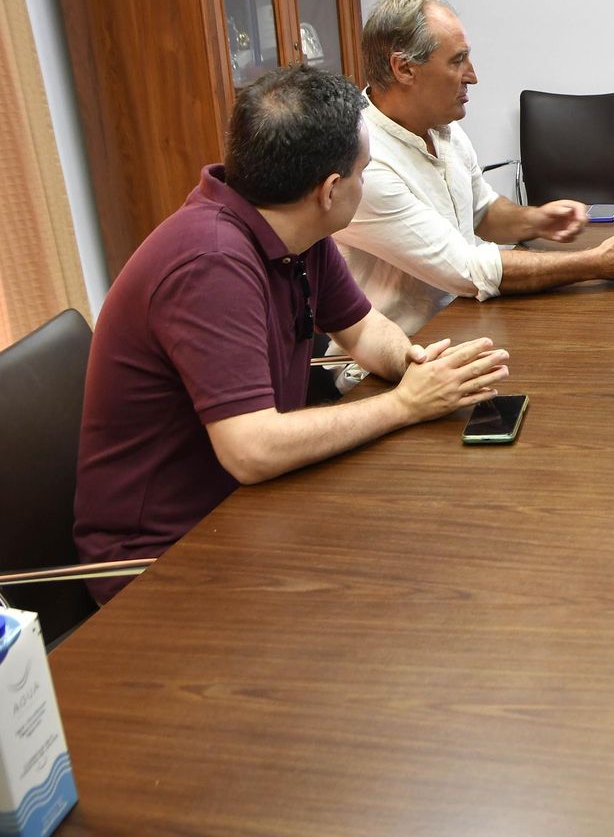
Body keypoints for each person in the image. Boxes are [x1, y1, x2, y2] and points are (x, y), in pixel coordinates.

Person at [75, 65, 510, 602]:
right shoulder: (210, 264)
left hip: (248, 509)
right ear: (330, 190)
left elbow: (365, 328)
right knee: (408, 592)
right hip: (163, 560)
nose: (365, 182)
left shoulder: (294, 228)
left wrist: (416, 365)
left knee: (425, 554)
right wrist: (406, 406)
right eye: (363, 171)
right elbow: (251, 450)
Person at [335, 0, 614, 337]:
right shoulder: (363, 162)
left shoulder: (443, 127)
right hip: (398, 356)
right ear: (404, 68)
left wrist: (537, 219)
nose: (472, 75)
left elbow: (481, 212)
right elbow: (467, 270)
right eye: (456, 60)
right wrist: (596, 262)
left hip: (460, 325)